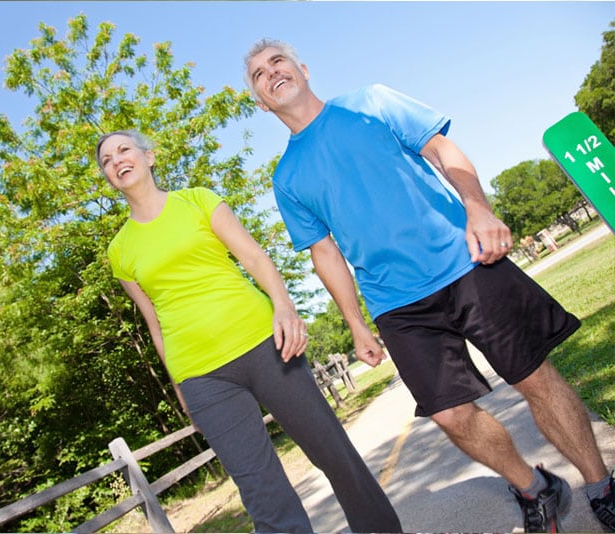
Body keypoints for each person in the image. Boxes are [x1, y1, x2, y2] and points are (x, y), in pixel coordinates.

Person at [244, 38, 615, 533]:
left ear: (303, 69)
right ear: (259, 101)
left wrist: (478, 209)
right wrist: (356, 324)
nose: (271, 73)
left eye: (278, 62)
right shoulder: (287, 176)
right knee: (450, 416)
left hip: (465, 262)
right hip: (396, 304)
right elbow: (324, 251)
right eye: (259, 75)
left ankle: (600, 487)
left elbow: (441, 148)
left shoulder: (370, 101)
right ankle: (536, 488)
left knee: (534, 379)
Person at [96, 129, 402, 533]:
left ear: (149, 157)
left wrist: (286, 309)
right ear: (107, 177)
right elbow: (154, 323)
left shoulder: (198, 200)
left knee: (332, 452)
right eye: (106, 160)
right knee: (261, 491)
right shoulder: (120, 250)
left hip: (266, 345)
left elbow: (255, 258)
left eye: (124, 150)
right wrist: (179, 386)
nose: (116, 160)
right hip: (201, 375)